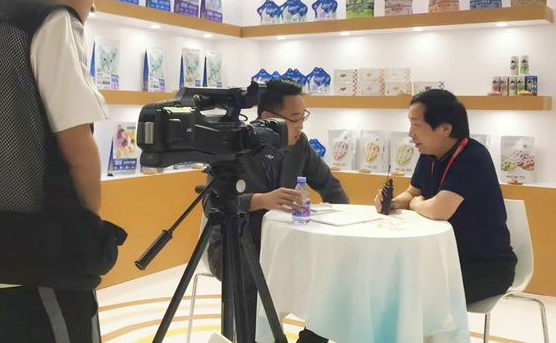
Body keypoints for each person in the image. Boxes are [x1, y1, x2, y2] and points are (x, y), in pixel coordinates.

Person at [0, 0, 126, 342]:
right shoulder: (49, 19)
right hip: (39, 258)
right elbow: (77, 144)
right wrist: (90, 229)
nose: (94, 3)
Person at [206, 78, 350, 343]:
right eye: (294, 119)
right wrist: (260, 200)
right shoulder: (234, 145)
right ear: (266, 118)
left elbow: (331, 187)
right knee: (251, 278)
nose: (300, 126)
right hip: (235, 245)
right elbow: (211, 203)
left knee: (337, 275)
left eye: (303, 118)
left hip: (286, 243)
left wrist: (345, 229)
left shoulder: (299, 144)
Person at [375, 89, 517, 304]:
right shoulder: (428, 154)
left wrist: (415, 204)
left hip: (484, 267)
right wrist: (393, 202)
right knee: (382, 280)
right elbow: (413, 193)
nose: (411, 133)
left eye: (416, 124)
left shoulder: (473, 156)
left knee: (408, 295)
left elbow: (439, 210)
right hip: (442, 258)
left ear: (445, 129)